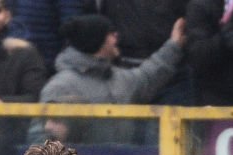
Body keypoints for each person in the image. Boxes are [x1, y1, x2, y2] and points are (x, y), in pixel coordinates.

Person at [34, 14, 185, 143]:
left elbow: (149, 75)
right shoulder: (60, 86)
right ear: (96, 40)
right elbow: (39, 138)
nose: (116, 37)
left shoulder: (119, 78)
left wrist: (174, 45)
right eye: (111, 33)